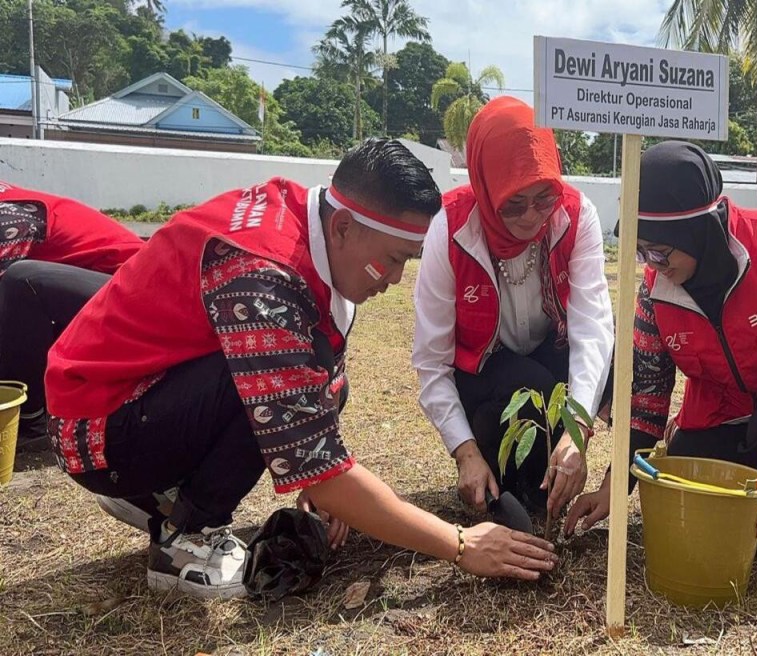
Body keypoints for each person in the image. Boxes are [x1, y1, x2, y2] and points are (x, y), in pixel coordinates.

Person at [45, 139, 557, 600]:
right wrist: (462, 544)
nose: (397, 279)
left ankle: (165, 499)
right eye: (395, 259)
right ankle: (183, 540)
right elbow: (311, 455)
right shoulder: (263, 280)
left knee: (324, 381)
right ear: (343, 227)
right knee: (271, 386)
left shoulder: (303, 221)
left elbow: (317, 395)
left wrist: (326, 477)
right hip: (98, 427)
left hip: (141, 396)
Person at [565, 141, 757, 564]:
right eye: (641, 251)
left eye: (660, 250)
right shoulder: (655, 292)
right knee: (687, 465)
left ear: (698, 231)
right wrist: (613, 488)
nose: (652, 264)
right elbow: (647, 403)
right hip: (719, 415)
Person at [412, 97, 614, 525]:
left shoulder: (575, 215)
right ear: (486, 189)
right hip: (484, 369)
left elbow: (592, 326)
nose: (532, 218)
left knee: (613, 363)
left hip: (550, 351)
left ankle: (546, 475)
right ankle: (495, 457)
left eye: (544, 198)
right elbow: (432, 363)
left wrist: (577, 433)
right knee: (528, 391)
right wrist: (465, 453)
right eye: (513, 204)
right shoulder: (450, 230)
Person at [0, 182, 143, 450]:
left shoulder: (10, 217)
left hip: (141, 301)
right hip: (101, 296)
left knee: (20, 283)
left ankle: (32, 421)